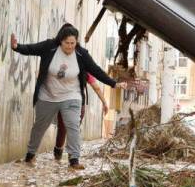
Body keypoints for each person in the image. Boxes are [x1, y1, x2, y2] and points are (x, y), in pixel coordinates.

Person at [11, 23, 128, 169]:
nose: (70, 46)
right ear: (61, 41)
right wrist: (17, 47)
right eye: (67, 43)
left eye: (73, 43)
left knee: (73, 126)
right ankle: (30, 155)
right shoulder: (50, 47)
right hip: (48, 95)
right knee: (39, 126)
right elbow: (31, 49)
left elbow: (96, 70)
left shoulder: (81, 54)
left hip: (72, 96)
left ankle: (74, 160)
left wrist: (114, 84)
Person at [53, 73, 110, 160]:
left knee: (62, 129)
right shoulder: (86, 70)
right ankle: (72, 158)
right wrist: (104, 102)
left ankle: (57, 157)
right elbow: (96, 88)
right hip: (79, 105)